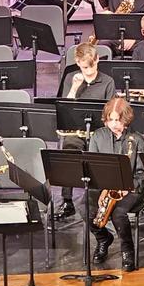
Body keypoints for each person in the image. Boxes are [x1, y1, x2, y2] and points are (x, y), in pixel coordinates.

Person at [87, 98, 144, 272]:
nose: (114, 124)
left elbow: (142, 173)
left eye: (118, 120)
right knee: (83, 205)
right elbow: (92, 166)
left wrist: (126, 188)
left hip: (131, 188)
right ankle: (103, 238)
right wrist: (104, 189)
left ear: (126, 119)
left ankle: (127, 250)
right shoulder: (98, 136)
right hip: (105, 187)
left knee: (119, 213)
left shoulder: (136, 139)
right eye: (110, 120)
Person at [55, 42, 117, 220]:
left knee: (98, 156)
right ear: (77, 62)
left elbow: (111, 112)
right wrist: (74, 88)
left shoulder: (107, 81)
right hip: (76, 130)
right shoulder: (70, 78)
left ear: (97, 59)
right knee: (68, 152)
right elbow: (64, 108)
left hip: (99, 131)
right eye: (84, 68)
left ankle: (99, 201)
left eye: (92, 66)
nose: (88, 71)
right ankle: (67, 201)